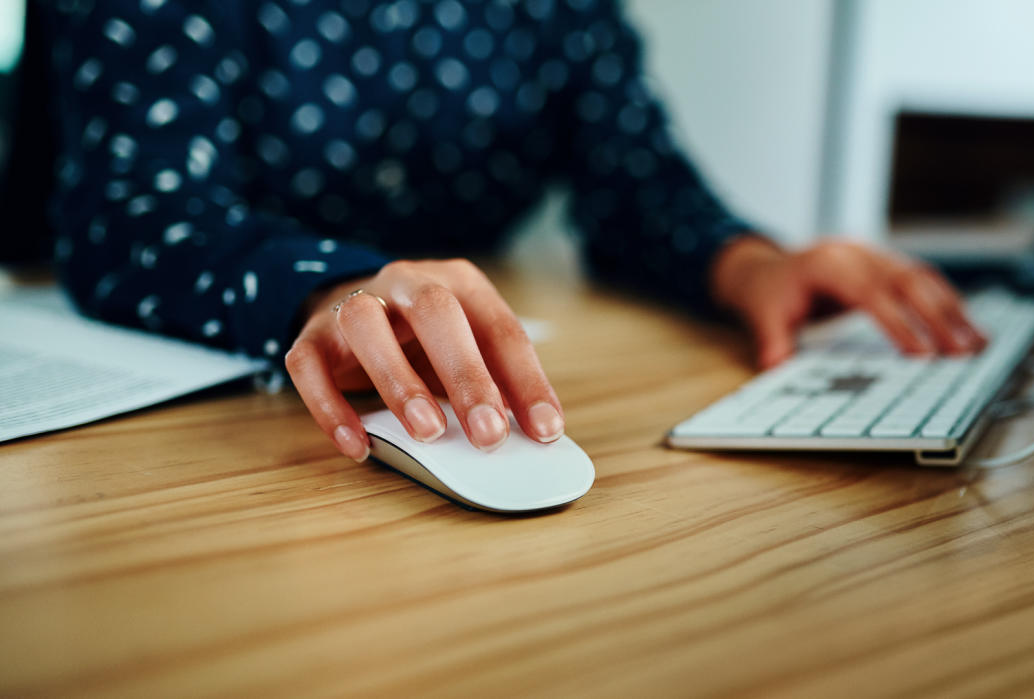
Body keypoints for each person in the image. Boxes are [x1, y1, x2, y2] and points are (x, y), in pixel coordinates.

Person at [40, 0, 985, 461]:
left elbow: (636, 179)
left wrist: (753, 264)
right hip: (169, 420)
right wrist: (331, 287)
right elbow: (134, 213)